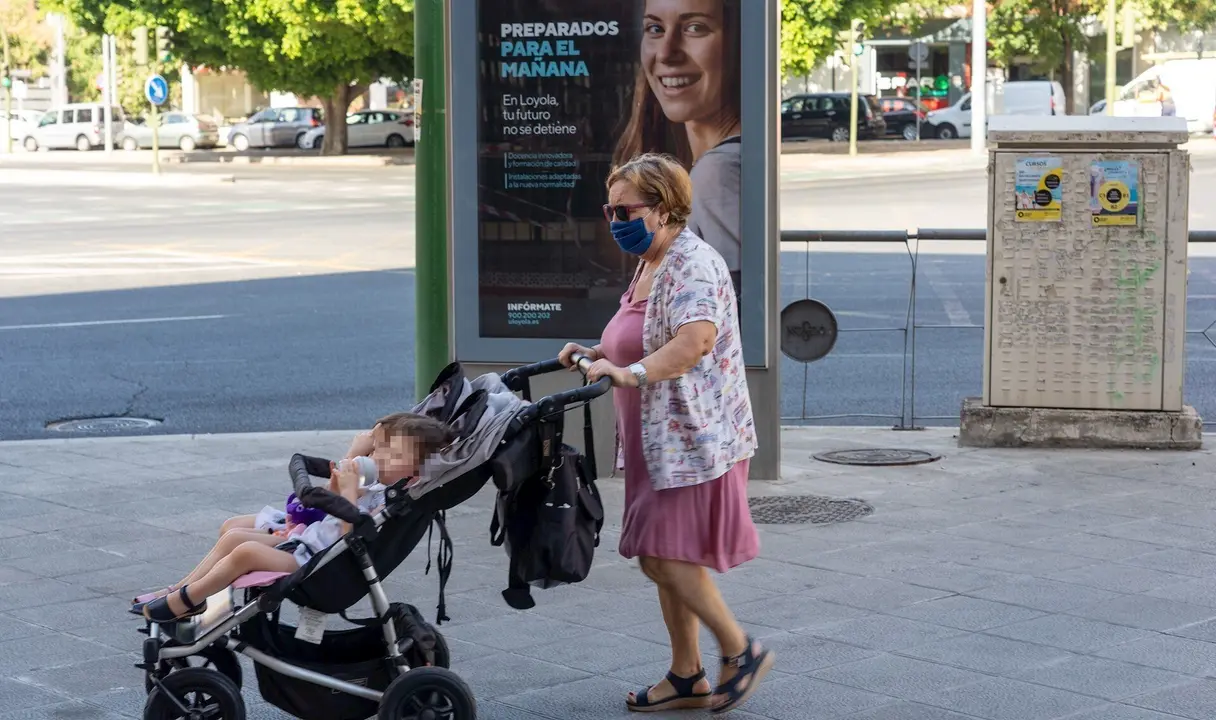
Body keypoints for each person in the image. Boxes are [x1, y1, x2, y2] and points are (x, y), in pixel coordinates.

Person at [559, 152, 771, 715]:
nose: (614, 220)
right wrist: (596, 353)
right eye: (609, 208)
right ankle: (686, 674)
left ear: (663, 207)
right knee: (671, 555)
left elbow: (695, 340)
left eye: (624, 208)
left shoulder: (692, 262)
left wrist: (627, 373)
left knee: (661, 555)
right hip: (659, 441)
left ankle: (740, 650)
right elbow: (645, 334)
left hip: (691, 441)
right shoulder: (652, 260)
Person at [132, 413, 456, 623]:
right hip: (308, 544)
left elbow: (350, 536)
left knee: (245, 552)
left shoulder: (388, 499)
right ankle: (183, 592)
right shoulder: (375, 483)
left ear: (414, 475)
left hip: (320, 563)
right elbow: (329, 501)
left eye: (395, 456)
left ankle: (187, 600)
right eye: (383, 450)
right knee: (233, 536)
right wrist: (348, 464)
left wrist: (350, 495)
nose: (382, 458)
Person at [613, 0, 742, 296]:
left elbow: (725, 313)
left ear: (736, 43)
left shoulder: (717, 173)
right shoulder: (703, 166)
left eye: (695, 27)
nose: (667, 53)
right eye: (655, 28)